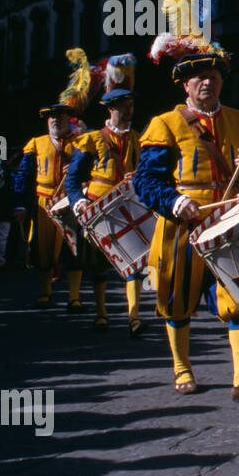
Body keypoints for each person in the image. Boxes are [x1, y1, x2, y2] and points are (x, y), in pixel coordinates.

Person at [135, 0, 239, 401]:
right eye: (197, 76)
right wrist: (175, 202)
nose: (206, 81)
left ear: (222, 79)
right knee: (177, 300)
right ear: (184, 84)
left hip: (228, 220)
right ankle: (182, 368)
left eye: (212, 74)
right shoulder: (164, 123)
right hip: (182, 224)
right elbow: (146, 180)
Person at [65, 55, 145, 335]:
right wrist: (79, 201)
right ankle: (101, 313)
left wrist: (139, 178)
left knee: (133, 262)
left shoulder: (139, 138)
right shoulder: (91, 139)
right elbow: (72, 178)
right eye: (122, 107)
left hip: (129, 206)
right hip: (99, 207)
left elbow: (147, 171)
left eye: (130, 106)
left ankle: (134, 317)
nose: (128, 110)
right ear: (109, 109)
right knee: (99, 265)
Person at [13, 50, 91, 309]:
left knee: (74, 250)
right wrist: (21, 205)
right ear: (47, 121)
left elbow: (94, 170)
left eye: (61, 116)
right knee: (43, 250)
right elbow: (24, 176)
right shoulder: (35, 143)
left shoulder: (82, 142)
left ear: (70, 118)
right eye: (52, 117)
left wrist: (82, 177)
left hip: (71, 202)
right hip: (44, 204)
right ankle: (45, 291)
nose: (56, 120)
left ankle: (74, 296)